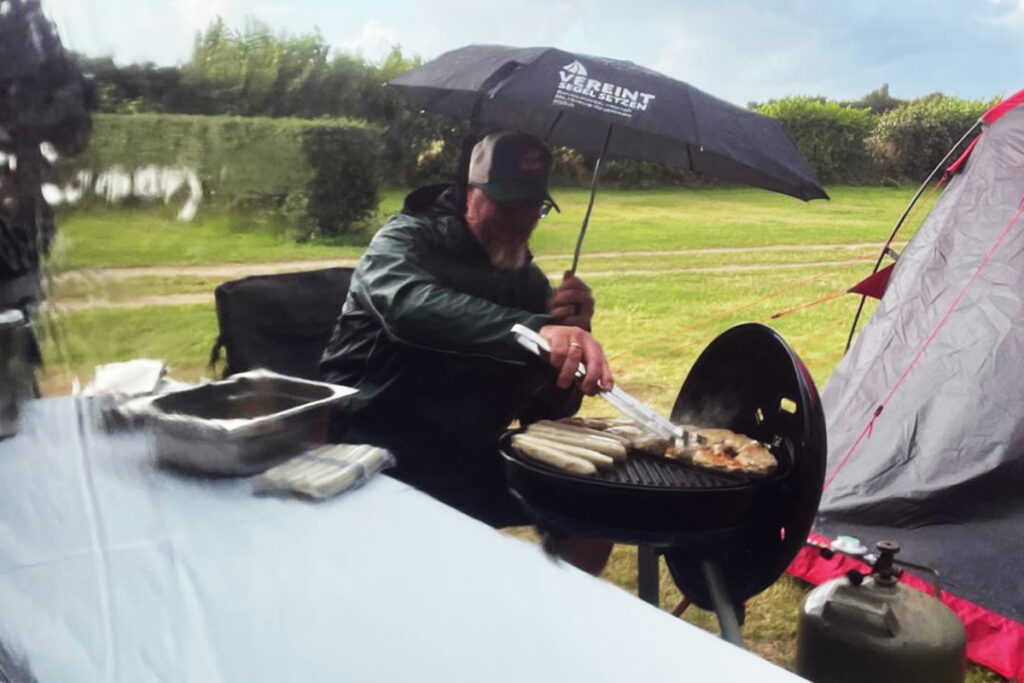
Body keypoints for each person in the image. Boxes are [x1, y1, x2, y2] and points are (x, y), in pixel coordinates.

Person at [320, 131, 613, 572]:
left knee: (592, 506)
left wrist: (570, 337)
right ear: (469, 194)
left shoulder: (528, 283)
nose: (521, 220)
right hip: (374, 445)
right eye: (506, 204)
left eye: (533, 207)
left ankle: (555, 621)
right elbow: (407, 308)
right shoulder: (404, 241)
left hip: (467, 452)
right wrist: (535, 330)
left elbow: (546, 411)